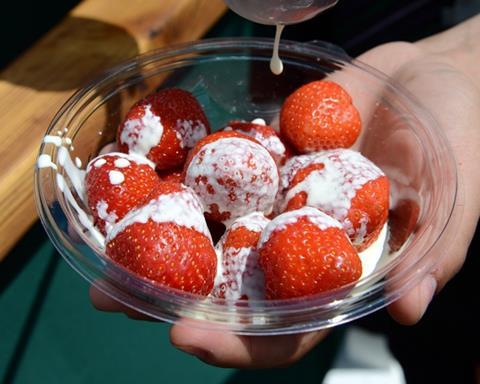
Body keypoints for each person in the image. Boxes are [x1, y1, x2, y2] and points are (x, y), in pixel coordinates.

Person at [90, 11, 480, 371]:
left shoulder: (305, 203)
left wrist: (462, 56)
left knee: (444, 350)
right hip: (340, 29)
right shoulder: (223, 194)